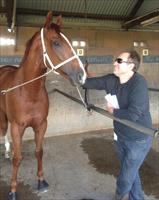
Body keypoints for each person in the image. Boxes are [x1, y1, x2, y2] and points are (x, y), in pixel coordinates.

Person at [83, 49, 153, 200]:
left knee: (125, 178)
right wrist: (71, 71)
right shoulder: (111, 80)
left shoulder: (139, 83)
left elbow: (133, 115)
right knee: (130, 172)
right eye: (116, 60)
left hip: (138, 139)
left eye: (119, 61)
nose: (115, 63)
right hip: (120, 136)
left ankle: (120, 196)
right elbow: (87, 83)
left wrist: (113, 111)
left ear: (131, 66)